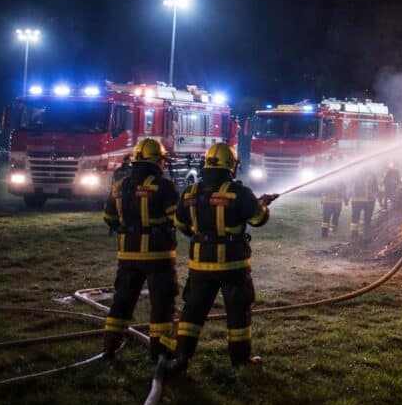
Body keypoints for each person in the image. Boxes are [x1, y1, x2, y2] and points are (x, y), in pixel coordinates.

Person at [171, 142, 277, 370]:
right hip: (233, 266)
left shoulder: (190, 192)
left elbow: (180, 223)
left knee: (193, 312)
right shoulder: (239, 192)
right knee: (238, 313)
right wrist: (263, 206)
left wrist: (199, 235)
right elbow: (258, 220)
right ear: (231, 166)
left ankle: (181, 355)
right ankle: (240, 360)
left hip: (200, 265)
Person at [101, 138, 180, 360]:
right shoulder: (164, 187)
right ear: (157, 161)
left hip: (128, 255)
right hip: (159, 256)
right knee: (162, 302)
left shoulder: (119, 187)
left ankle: (111, 343)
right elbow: (177, 218)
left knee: (123, 300)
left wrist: (127, 229)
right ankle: (160, 349)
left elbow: (109, 217)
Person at [349, 169, 379, 243]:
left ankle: (357, 234)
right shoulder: (372, 174)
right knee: (365, 219)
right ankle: (363, 235)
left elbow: (375, 188)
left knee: (357, 218)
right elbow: (376, 188)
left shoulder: (355, 173)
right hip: (367, 200)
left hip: (360, 200)